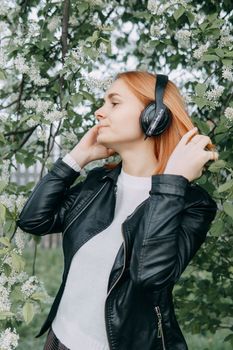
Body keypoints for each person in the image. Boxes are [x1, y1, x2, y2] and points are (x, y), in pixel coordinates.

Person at [16, 71, 218, 350]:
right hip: (60, 337)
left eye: (114, 102)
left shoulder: (192, 204)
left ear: (155, 115)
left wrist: (171, 185)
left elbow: (149, 275)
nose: (99, 112)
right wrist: (78, 157)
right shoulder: (99, 183)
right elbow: (33, 220)